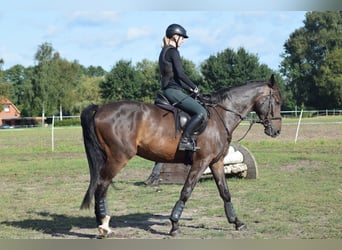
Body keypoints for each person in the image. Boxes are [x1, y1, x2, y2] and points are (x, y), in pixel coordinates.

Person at [159, 23, 207, 151]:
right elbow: (180, 74)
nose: (183, 40)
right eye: (182, 37)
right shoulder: (173, 52)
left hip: (170, 89)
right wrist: (194, 87)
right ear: (175, 37)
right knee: (201, 112)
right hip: (173, 91)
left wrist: (191, 89)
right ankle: (184, 140)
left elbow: (176, 77)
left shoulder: (164, 51)